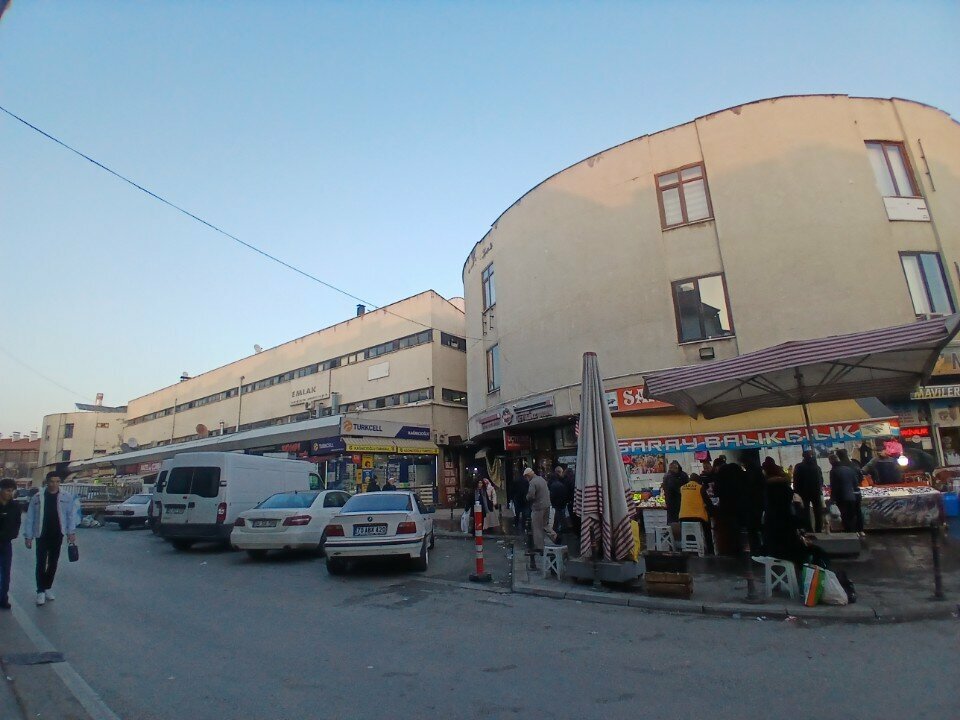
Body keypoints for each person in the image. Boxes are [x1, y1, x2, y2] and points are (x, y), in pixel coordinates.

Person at [24, 473, 79, 606]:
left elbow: (71, 515)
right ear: (47, 482)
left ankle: (47, 587)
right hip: (41, 535)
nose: (54, 484)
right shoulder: (37, 497)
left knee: (53, 563)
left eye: (57, 481)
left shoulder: (66, 497)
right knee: (41, 563)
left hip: (57, 534)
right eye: (52, 481)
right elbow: (30, 517)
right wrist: (28, 536)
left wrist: (71, 532)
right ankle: (40, 591)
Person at [761, 457, 819, 568]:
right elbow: (798, 524)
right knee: (816, 553)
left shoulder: (770, 508)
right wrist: (799, 508)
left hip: (772, 546)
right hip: (784, 549)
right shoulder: (784, 511)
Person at [678, 473, 713, 554]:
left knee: (690, 530)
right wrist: (713, 510)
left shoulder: (682, 488)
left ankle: (689, 549)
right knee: (708, 530)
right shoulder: (700, 487)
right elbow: (708, 502)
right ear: (698, 481)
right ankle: (710, 550)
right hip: (698, 518)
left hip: (683, 518)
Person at [0, 478, 22, 610]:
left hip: (5, 544)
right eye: (8, 490)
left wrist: (13, 534)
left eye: (12, 491)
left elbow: (17, 523)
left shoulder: (14, 506)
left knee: (5, 573)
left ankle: (3, 598)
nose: (10, 493)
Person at [525, 467, 556, 557]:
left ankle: (539, 547)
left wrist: (526, 497)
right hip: (547, 505)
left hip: (538, 507)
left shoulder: (532, 482)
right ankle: (554, 535)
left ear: (528, 475)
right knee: (545, 524)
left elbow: (531, 495)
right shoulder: (541, 479)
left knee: (537, 527)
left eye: (526, 477)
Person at [792, 450, 824, 533]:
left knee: (805, 512)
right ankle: (819, 529)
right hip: (816, 492)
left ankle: (808, 529)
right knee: (818, 511)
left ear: (803, 456)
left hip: (803, 493)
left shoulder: (799, 466)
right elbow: (821, 480)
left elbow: (796, 480)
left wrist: (796, 491)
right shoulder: (817, 467)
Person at [828, 452, 859, 532]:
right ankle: (854, 532)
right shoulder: (849, 469)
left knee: (844, 517)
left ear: (831, 461)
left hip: (841, 497)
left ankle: (849, 534)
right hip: (852, 496)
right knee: (852, 516)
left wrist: (832, 499)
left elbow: (834, 486)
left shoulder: (833, 471)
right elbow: (855, 483)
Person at [836, 449, 865, 535]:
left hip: (845, 493)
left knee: (848, 513)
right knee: (858, 511)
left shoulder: (839, 467)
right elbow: (861, 477)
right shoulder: (854, 464)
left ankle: (851, 531)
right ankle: (860, 530)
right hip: (856, 492)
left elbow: (838, 482)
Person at [548, 466, 568, 537]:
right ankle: (559, 529)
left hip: (557, 503)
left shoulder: (553, 483)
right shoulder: (561, 482)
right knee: (560, 515)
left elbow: (552, 495)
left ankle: (557, 528)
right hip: (561, 502)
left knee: (559, 515)